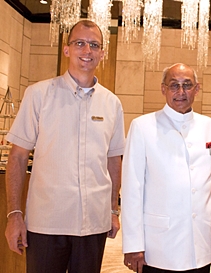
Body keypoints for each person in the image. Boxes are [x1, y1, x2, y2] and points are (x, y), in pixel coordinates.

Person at [4, 19, 125, 273]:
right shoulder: (38, 95)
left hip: (93, 223)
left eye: (94, 45)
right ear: (67, 49)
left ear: (102, 53)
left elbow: (114, 161)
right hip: (47, 224)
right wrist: (14, 214)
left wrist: (113, 209)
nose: (87, 51)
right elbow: (17, 157)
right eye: (79, 43)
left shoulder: (112, 104)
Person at [121, 63, 211, 273]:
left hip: (201, 240)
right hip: (158, 244)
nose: (181, 92)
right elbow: (132, 188)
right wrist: (133, 244)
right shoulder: (142, 127)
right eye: (174, 85)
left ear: (197, 88)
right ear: (163, 89)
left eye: (187, 85)